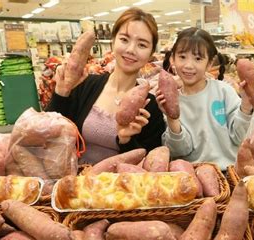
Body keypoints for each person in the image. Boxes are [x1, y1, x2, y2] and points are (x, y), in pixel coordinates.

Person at [46, 7, 165, 164]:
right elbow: (48, 133)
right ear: (113, 41)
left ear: (150, 54)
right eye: (124, 39)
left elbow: (151, 166)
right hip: (75, 182)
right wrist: (61, 93)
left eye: (142, 45)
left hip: (120, 186)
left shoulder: (150, 108)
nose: (131, 50)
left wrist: (126, 140)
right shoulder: (86, 85)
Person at [157, 27, 254, 171]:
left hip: (228, 172)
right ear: (172, 58)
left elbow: (239, 137)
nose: (188, 65)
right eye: (182, 57)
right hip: (192, 176)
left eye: (198, 58)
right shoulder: (171, 100)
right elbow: (180, 151)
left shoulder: (224, 91)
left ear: (210, 63)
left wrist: (246, 104)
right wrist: (172, 118)